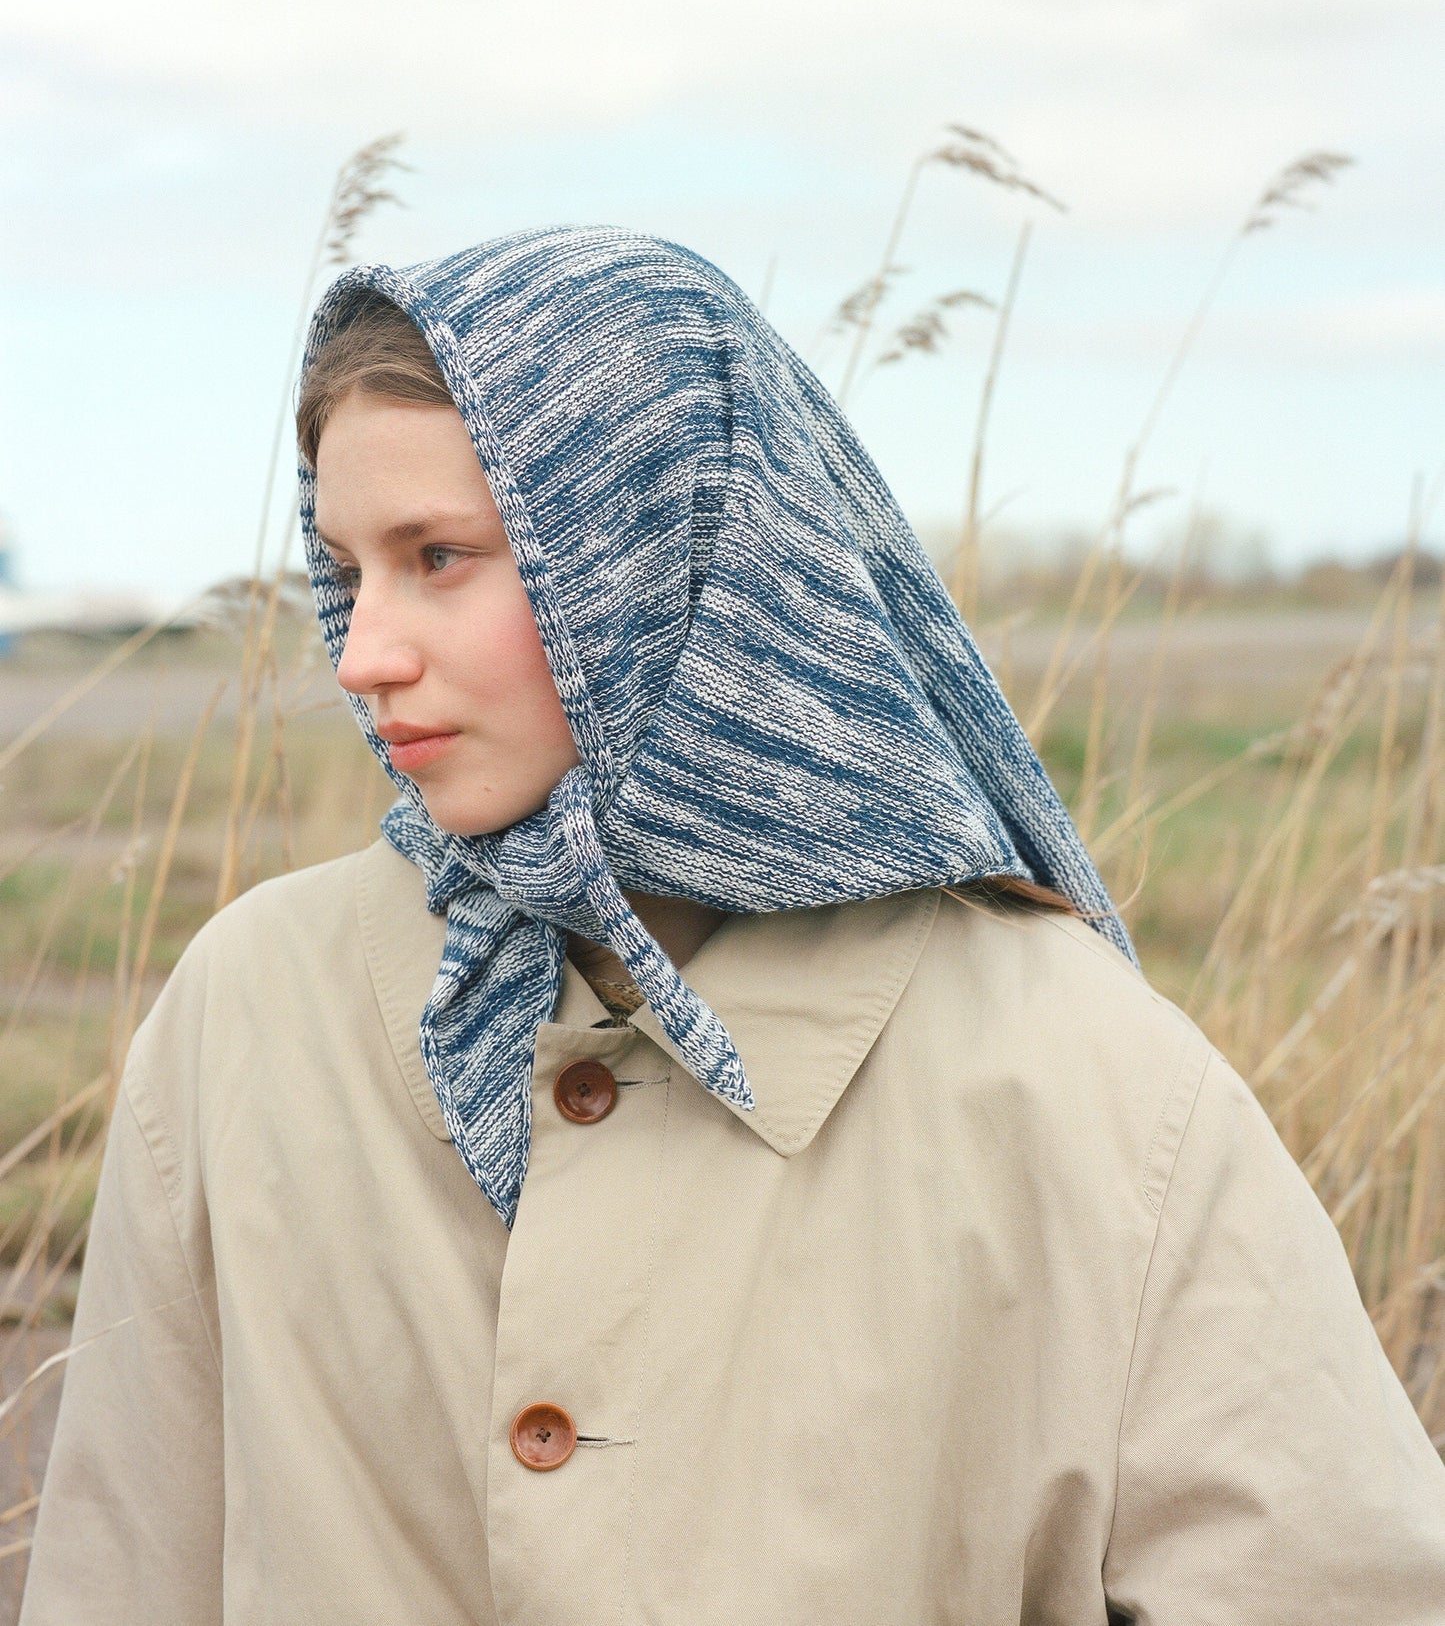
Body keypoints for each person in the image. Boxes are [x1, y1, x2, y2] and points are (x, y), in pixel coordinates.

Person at [21, 226, 1445, 1624]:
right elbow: (122, 1574)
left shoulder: (1081, 1075)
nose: (363, 653)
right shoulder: (249, 1009)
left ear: (656, 553)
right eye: (346, 570)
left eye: (439, 556)